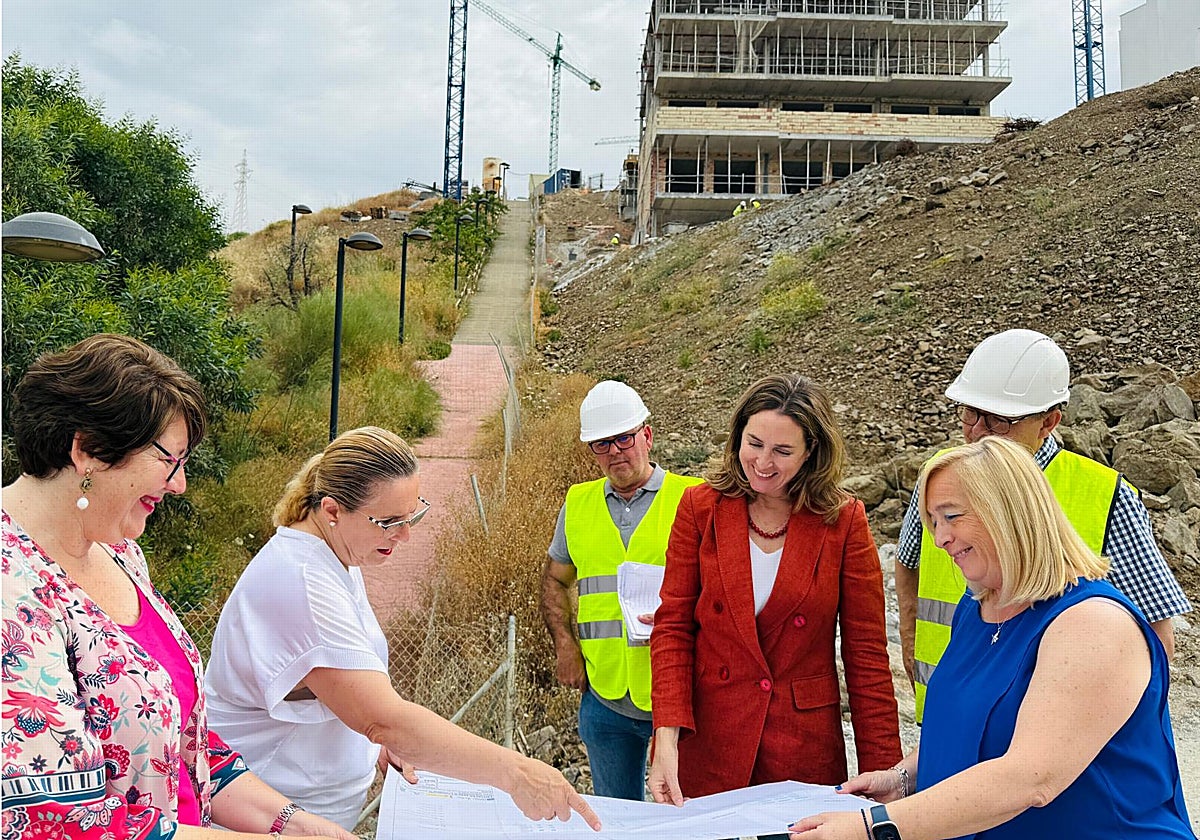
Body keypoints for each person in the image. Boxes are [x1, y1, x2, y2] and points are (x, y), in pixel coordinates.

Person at [1, 334, 353, 840]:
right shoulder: (12, 590)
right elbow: (58, 823)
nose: (179, 483)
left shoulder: (116, 548)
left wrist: (292, 825)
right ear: (88, 450)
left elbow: (178, 739)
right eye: (170, 460)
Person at [789, 437, 1193, 839]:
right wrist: (905, 779)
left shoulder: (1093, 624)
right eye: (933, 521)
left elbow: (1030, 778)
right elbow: (968, 730)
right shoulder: (977, 608)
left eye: (951, 516)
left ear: (1007, 511)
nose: (940, 538)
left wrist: (871, 828)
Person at [204, 427, 600, 831]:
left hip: (306, 809)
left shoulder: (337, 552)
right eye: (389, 521)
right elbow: (381, 717)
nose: (405, 535)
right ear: (333, 510)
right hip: (270, 820)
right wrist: (516, 773)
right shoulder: (303, 582)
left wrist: (369, 745)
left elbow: (338, 694)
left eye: (412, 515)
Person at [895, 329, 1192, 723]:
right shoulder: (940, 476)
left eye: (1000, 419)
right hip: (948, 716)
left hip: (1052, 735)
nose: (977, 431)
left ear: (1049, 421)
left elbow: (1154, 628)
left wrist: (1115, 729)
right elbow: (908, 562)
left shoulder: (1103, 496)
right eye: (970, 412)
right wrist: (912, 647)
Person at [649, 374, 901, 805]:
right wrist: (666, 739)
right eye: (754, 443)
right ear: (737, 438)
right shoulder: (700, 507)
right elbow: (672, 627)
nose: (763, 462)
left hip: (802, 748)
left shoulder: (844, 521)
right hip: (711, 740)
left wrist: (886, 773)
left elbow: (866, 655)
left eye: (783, 451)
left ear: (810, 454)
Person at [540, 381, 703, 800]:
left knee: (684, 820)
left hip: (682, 701)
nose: (615, 451)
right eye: (601, 444)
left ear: (646, 435)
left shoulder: (693, 499)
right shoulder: (577, 504)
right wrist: (565, 646)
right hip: (604, 700)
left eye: (623, 438)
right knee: (618, 823)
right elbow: (555, 581)